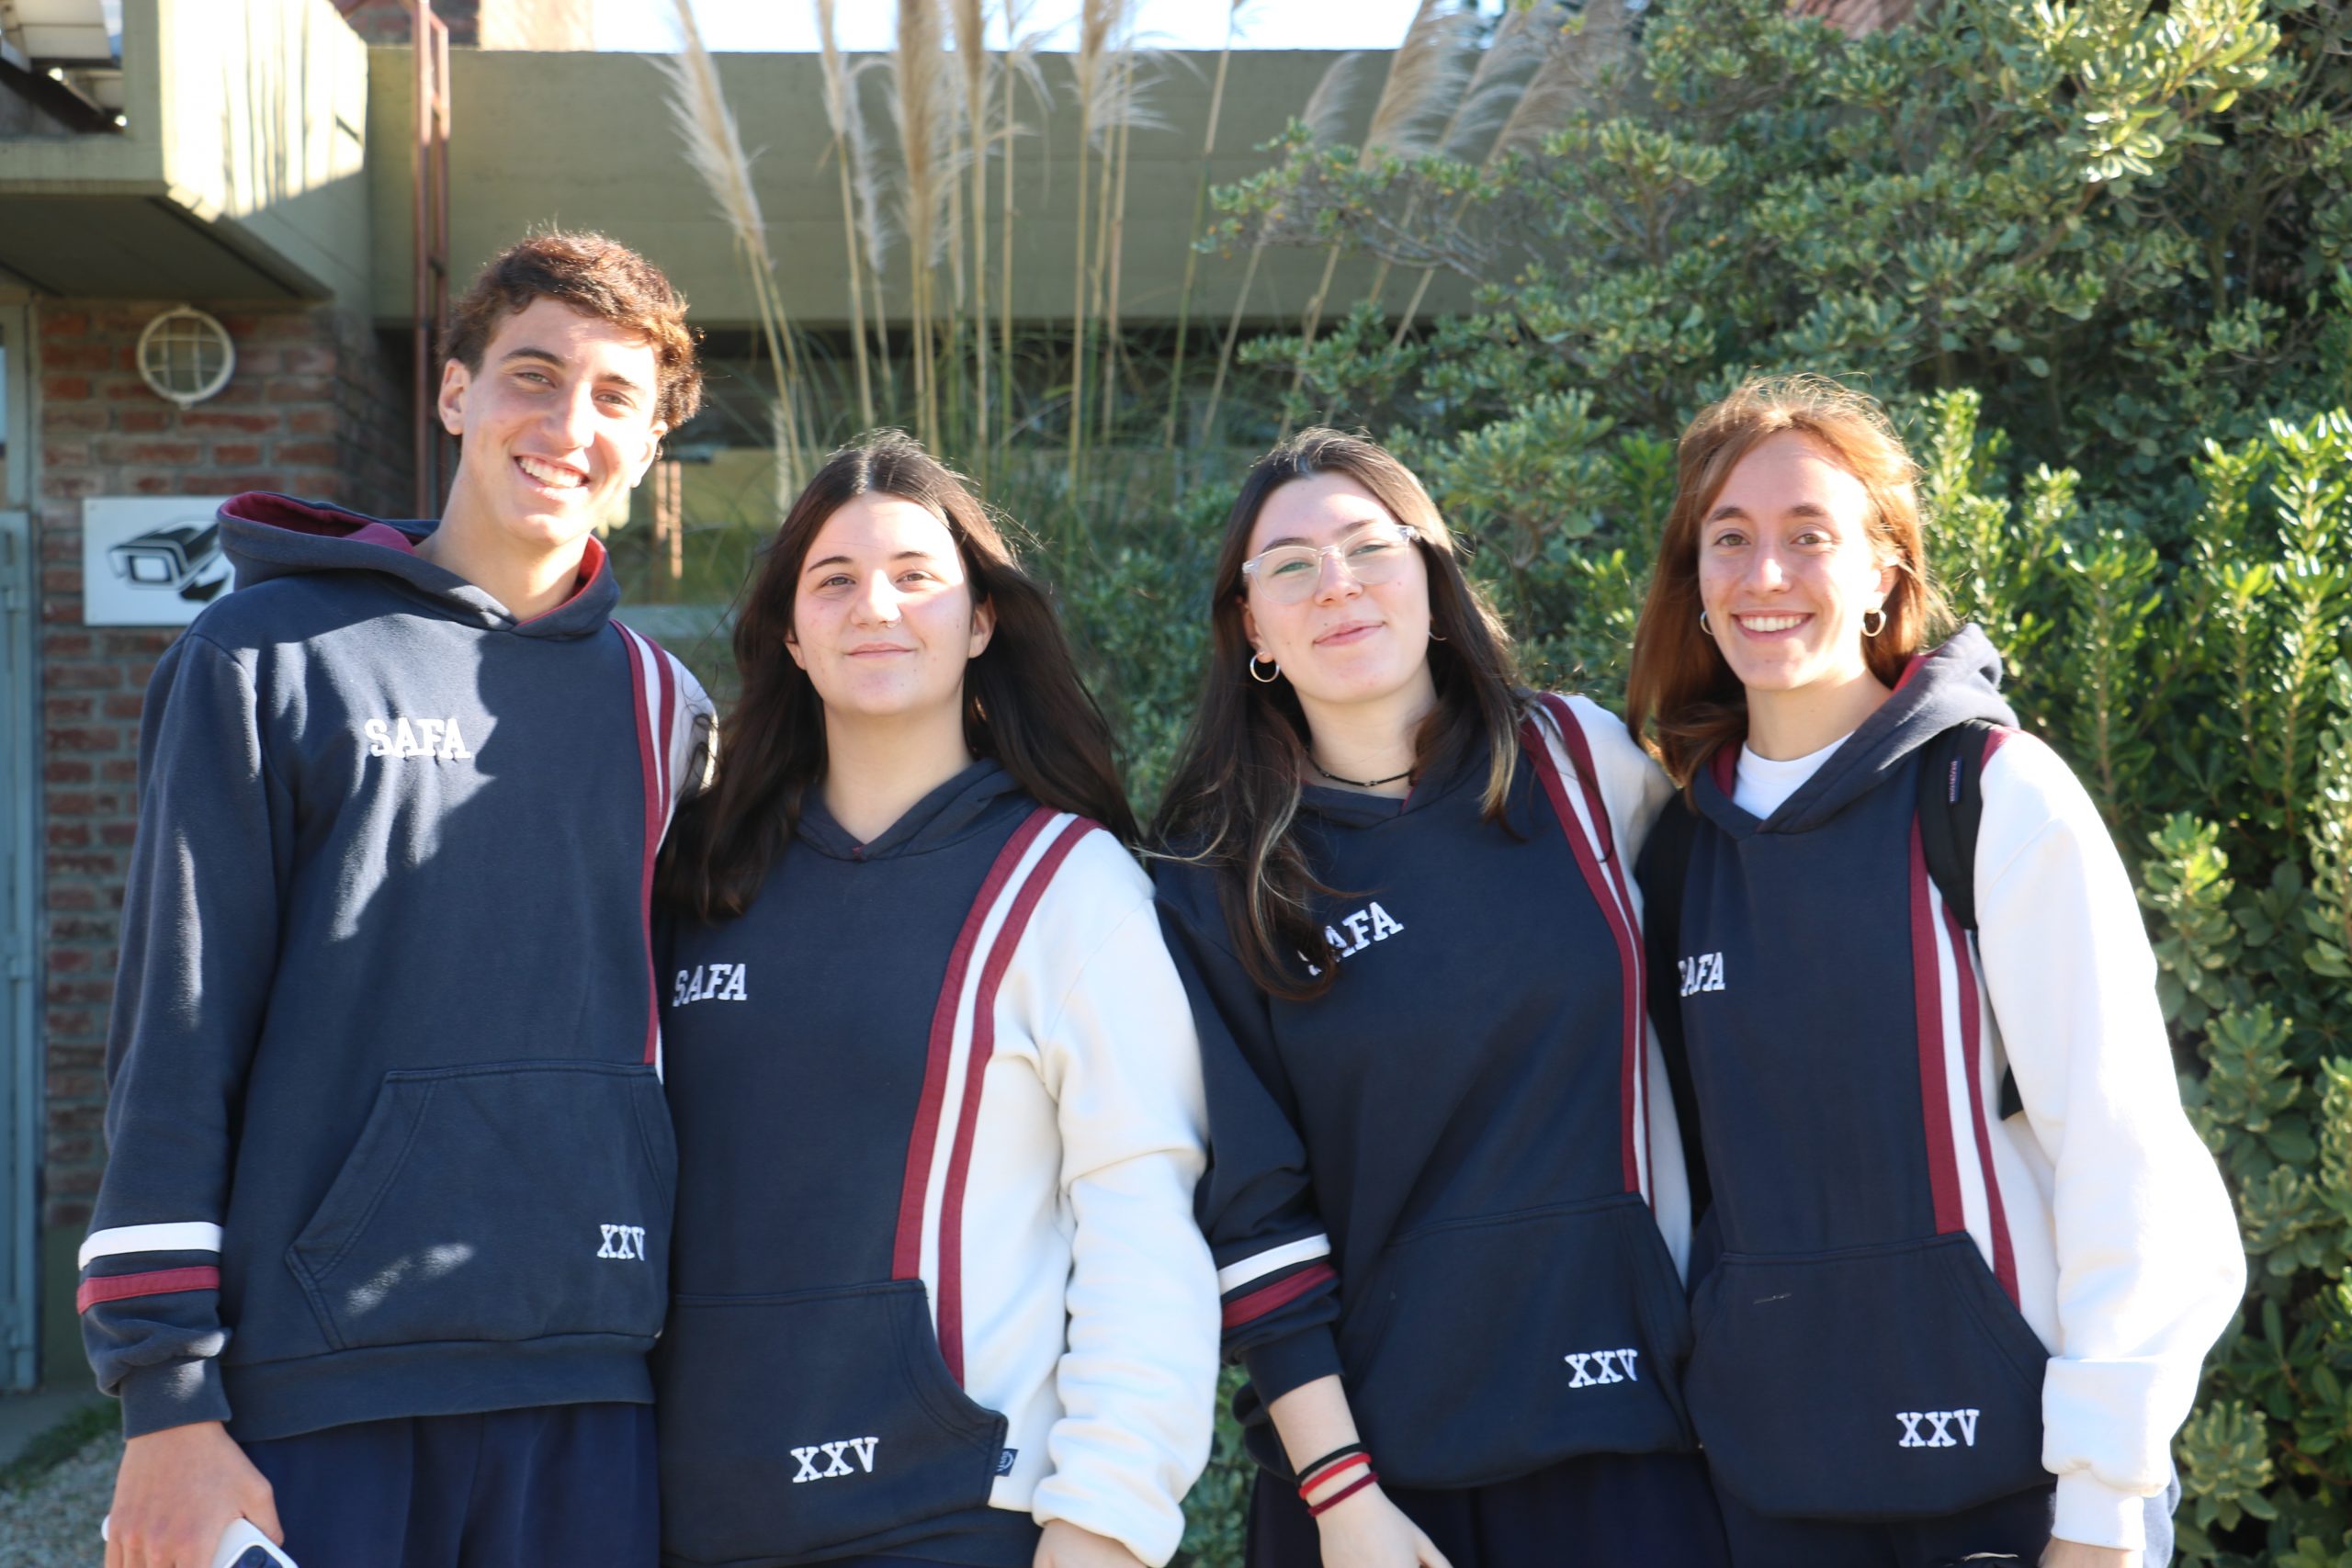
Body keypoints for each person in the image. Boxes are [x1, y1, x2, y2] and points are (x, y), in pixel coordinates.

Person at [82, 231, 714, 1568]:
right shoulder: (264, 657)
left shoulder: (668, 709)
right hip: (323, 1376)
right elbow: (176, 1032)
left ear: (652, 443)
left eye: (615, 397)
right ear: (454, 391)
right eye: (532, 375)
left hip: (591, 1373)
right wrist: (165, 1393)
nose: (568, 425)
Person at [1622, 375, 2245, 1568]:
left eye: (1810, 535)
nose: (1764, 574)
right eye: (1729, 539)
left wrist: (2104, 1508)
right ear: (1693, 581)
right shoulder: (1679, 848)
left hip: (2017, 1487)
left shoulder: (1990, 795)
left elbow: (2124, 1157)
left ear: (1884, 572)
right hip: (1769, 1488)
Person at [1152, 428, 1727, 1568]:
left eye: (1370, 547)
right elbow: (1250, 1215)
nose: (1338, 585)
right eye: (1290, 566)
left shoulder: (1583, 767)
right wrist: (1342, 1495)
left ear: (1431, 572)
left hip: (1636, 1440)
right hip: (1376, 1490)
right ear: (1252, 626)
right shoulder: (1214, 876)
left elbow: (1733, 1035)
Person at [650, 433, 1218, 1568]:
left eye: (916, 576)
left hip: (957, 1512)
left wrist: (1105, 1521)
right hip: (690, 1514)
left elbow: (1139, 1221)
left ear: (981, 621)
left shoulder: (1063, 883)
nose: (876, 606)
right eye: (834, 581)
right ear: (790, 637)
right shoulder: (696, 877)